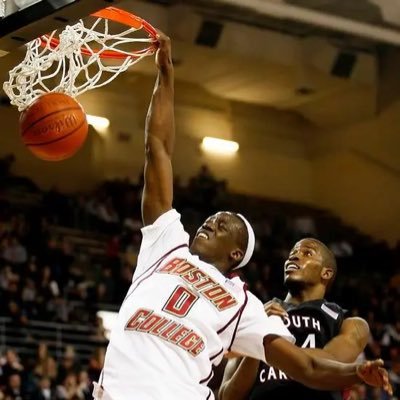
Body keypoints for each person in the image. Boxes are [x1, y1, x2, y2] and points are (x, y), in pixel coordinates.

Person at [93, 33, 391, 400]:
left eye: (222, 226)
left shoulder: (244, 304)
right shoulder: (167, 244)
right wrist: (166, 77)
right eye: (211, 219)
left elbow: (307, 367)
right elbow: (157, 149)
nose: (208, 224)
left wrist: (355, 371)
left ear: (236, 254)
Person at [219, 238, 372, 400]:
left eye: (307, 253)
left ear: (326, 273)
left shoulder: (347, 322)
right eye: (292, 253)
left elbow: (329, 365)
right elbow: (227, 396)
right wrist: (258, 339)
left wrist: (268, 348)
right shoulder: (256, 314)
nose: (294, 256)